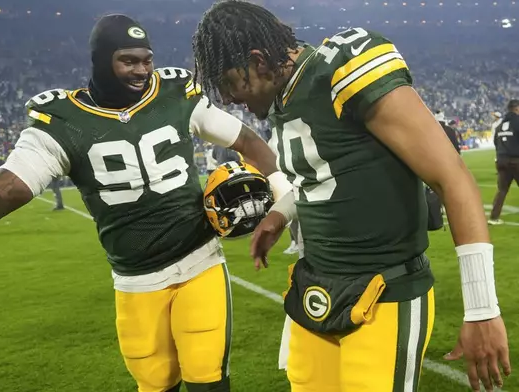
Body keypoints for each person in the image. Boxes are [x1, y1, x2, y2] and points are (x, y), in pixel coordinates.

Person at [0, 14, 292, 392]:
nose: (142, 70)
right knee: (154, 383)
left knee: (208, 378)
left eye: (146, 60)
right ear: (99, 61)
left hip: (200, 260)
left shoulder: (175, 92)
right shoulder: (62, 120)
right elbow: (3, 190)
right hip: (135, 278)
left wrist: (279, 189)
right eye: (128, 61)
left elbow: (247, 140)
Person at [192, 2, 510, 392]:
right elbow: (322, 175)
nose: (229, 99)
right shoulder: (280, 95)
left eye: (230, 84)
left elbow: (452, 177)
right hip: (317, 287)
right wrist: (279, 214)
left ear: (259, 61)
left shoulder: (342, 68)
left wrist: (482, 310)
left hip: (383, 290)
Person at [489, 99, 519, 225]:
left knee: (502, 190)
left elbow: (496, 142)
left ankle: (493, 217)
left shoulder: (500, 124)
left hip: (501, 161)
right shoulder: (517, 122)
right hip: (516, 161)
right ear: (517, 109)